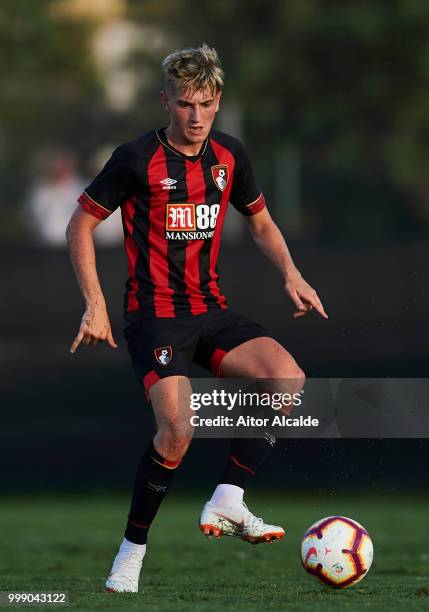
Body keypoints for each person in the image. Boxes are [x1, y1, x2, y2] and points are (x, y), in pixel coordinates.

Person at [66, 43, 328, 594]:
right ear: (166, 101)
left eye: (205, 103)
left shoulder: (230, 157)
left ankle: (229, 498)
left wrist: (291, 273)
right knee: (177, 433)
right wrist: (94, 302)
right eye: (184, 103)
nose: (195, 115)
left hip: (209, 310)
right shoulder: (136, 159)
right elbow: (79, 226)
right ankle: (131, 553)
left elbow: (260, 222)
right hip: (153, 317)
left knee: (286, 378)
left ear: (217, 102)